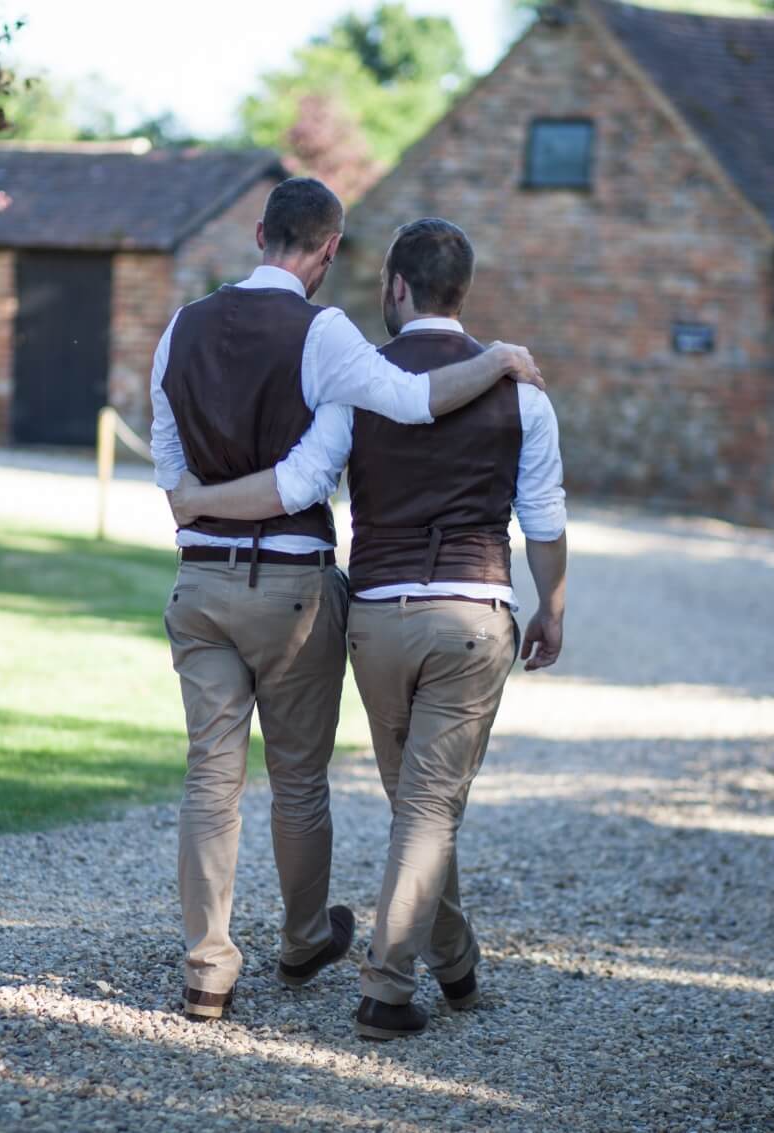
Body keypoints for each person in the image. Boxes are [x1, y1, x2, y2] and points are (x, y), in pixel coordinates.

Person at [151, 181, 545, 1021]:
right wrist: (501, 359)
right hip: (292, 586)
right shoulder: (325, 334)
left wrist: (193, 504)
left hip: (198, 578)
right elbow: (376, 424)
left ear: (259, 232)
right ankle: (302, 940)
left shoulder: (178, 327)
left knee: (208, 776)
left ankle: (207, 968)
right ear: (329, 252)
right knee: (299, 778)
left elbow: (167, 454)